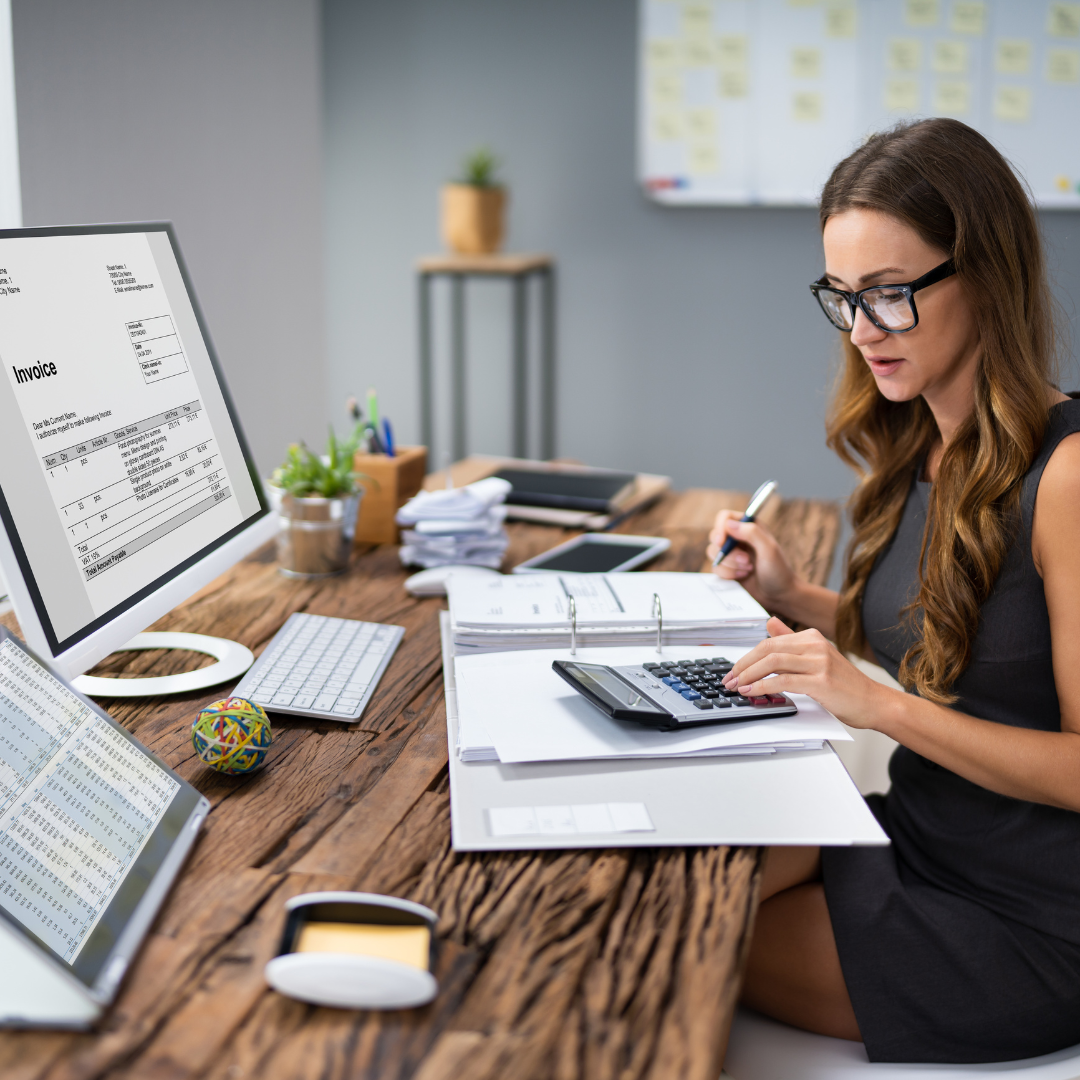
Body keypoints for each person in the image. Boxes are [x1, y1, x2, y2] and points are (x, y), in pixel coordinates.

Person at [707, 117, 1080, 1065]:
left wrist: (875, 707)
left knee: (683, 943)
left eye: (891, 295)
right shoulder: (925, 439)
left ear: (986, 272)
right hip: (914, 832)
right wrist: (800, 599)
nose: (865, 330)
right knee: (673, 879)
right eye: (844, 297)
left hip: (1029, 920)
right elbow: (972, 651)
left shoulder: (1067, 475)